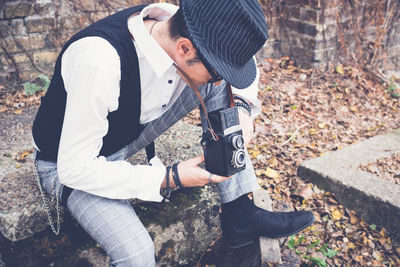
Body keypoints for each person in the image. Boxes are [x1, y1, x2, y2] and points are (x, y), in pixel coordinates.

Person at [32, 0, 315, 266]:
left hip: (130, 132)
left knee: (217, 84)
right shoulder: (97, 60)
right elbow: (75, 168)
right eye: (218, 71)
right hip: (67, 163)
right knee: (137, 252)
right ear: (184, 49)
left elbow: (243, 65)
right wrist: (170, 178)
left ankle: (239, 212)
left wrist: (240, 108)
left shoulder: (175, 22)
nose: (219, 78)